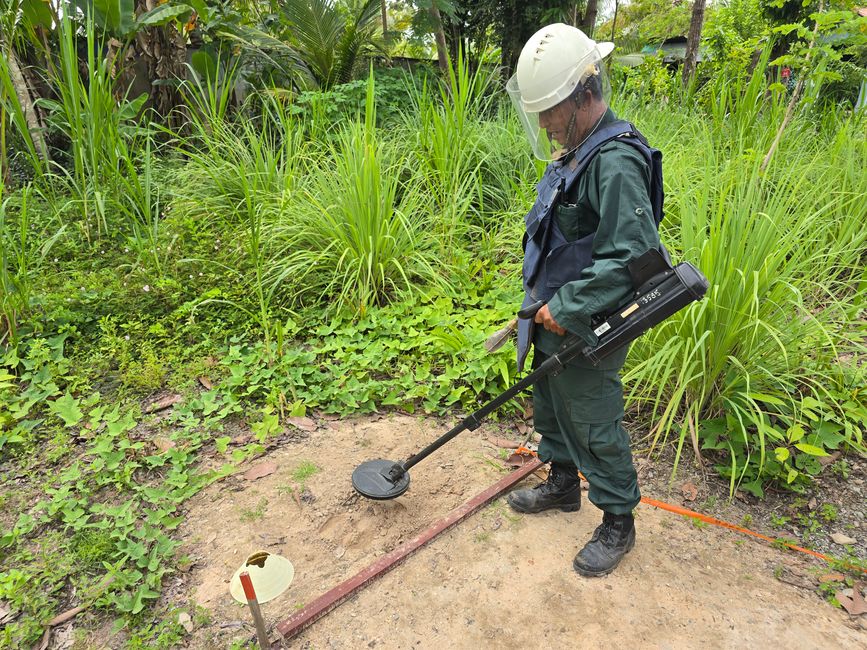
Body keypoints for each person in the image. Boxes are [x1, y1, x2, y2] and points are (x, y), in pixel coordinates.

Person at [504, 24, 665, 577]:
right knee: (550, 405)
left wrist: (568, 307)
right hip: (552, 314)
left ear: (583, 95)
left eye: (550, 110)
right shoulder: (573, 152)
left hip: (589, 320)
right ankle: (562, 484)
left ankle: (618, 520)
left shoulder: (615, 161)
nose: (544, 123)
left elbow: (633, 256)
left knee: (592, 417)